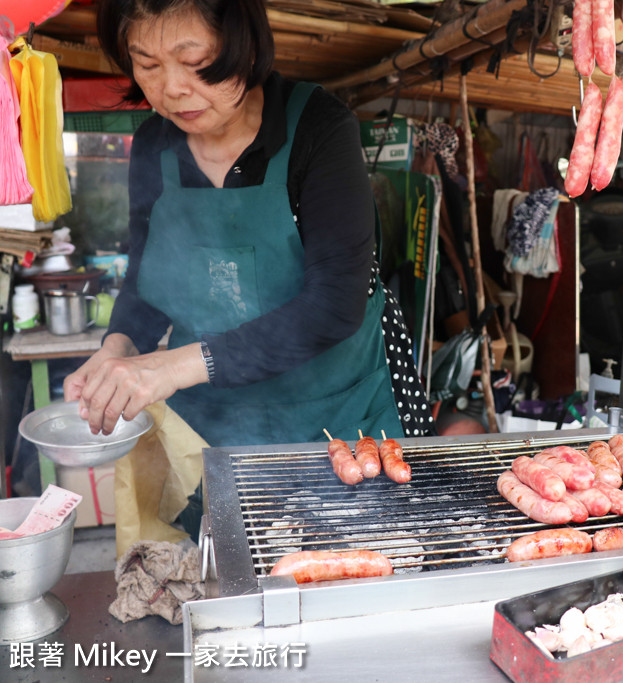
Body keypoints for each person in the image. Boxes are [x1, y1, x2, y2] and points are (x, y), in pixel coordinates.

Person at [67, 0, 434, 534]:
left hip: (341, 410)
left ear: (244, 45)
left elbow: (333, 306)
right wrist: (115, 349)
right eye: (146, 64)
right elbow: (148, 284)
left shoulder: (318, 128)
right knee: (223, 574)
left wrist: (168, 367)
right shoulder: (153, 145)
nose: (171, 89)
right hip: (214, 426)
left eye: (194, 62)